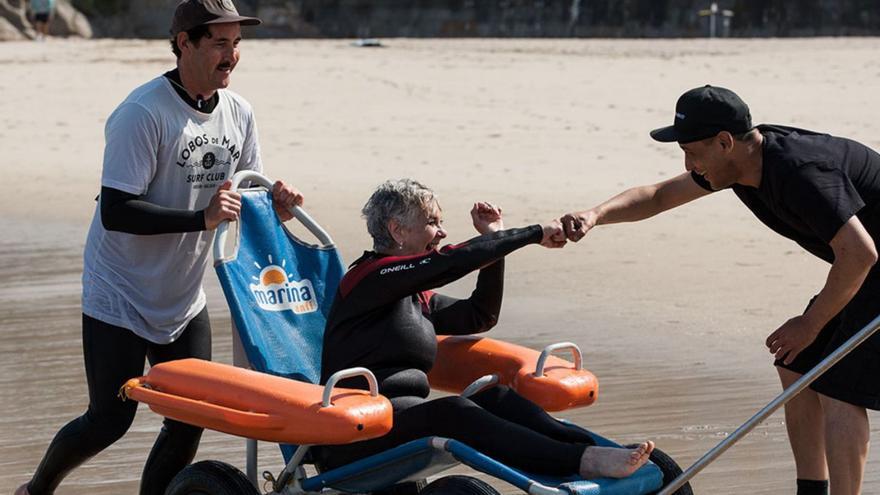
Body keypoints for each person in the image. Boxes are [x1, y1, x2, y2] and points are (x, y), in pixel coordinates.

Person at [16, 1, 305, 494]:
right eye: (219, 42)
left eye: (236, 44)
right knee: (110, 419)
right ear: (184, 43)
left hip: (183, 294)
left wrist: (272, 206)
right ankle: (36, 490)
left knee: (189, 416)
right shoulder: (141, 113)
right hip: (120, 291)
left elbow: (245, 195)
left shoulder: (240, 112)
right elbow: (117, 211)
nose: (231, 55)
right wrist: (202, 219)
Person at [560, 85, 880, 495]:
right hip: (866, 267)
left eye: (692, 152)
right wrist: (594, 215)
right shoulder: (740, 165)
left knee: (836, 382)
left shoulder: (801, 172)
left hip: (868, 264)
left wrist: (811, 323)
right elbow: (659, 196)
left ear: (725, 142)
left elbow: (860, 254)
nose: (689, 163)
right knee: (795, 362)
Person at [316, 179, 655, 479]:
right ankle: (582, 460)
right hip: (355, 435)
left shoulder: (415, 295)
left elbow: (479, 316)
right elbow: (450, 262)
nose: (442, 232)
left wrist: (494, 245)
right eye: (432, 222)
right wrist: (531, 233)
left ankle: (585, 448)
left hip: (398, 423)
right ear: (397, 230)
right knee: (454, 412)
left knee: (493, 396)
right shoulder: (367, 279)